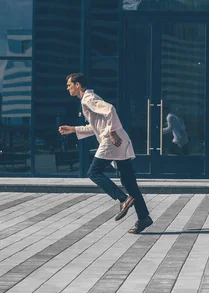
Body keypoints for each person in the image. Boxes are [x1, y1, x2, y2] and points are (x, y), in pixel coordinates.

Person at [58, 73, 152, 234]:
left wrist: (113, 132)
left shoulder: (88, 99)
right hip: (118, 141)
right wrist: (73, 129)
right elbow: (96, 127)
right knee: (129, 183)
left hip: (112, 141)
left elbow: (110, 109)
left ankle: (123, 199)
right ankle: (143, 218)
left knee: (93, 172)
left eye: (69, 85)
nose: (67, 88)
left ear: (78, 85)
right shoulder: (88, 99)